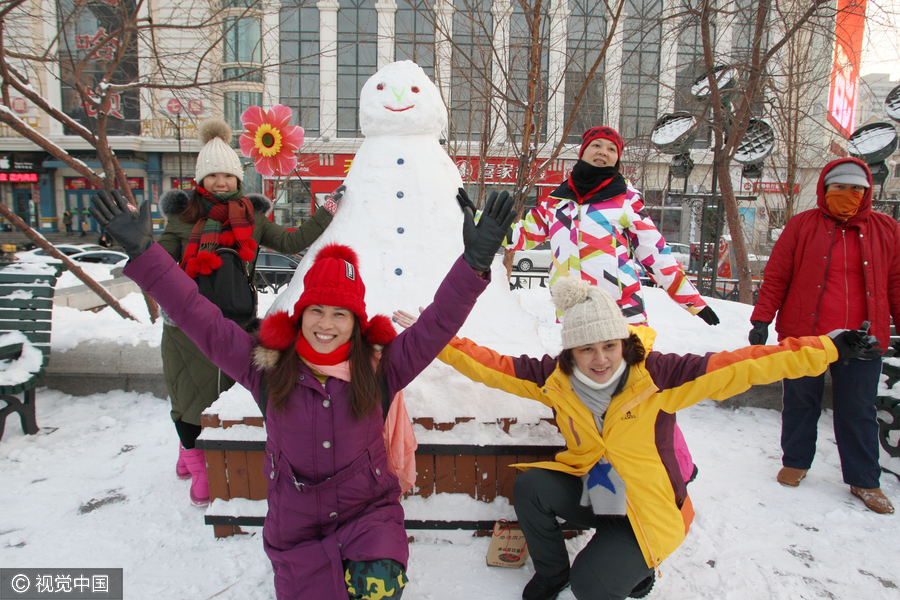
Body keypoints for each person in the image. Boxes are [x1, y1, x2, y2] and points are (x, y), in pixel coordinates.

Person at [90, 186, 515, 600]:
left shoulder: (380, 368)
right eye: (316, 310)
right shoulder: (265, 367)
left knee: (380, 586)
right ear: (300, 314)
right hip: (297, 524)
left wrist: (474, 263)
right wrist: (144, 253)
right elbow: (195, 313)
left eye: (340, 314)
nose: (326, 324)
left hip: (368, 515)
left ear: (356, 322)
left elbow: (438, 323)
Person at [395, 276, 878, 600]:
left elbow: (747, 365)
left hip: (649, 509)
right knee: (532, 487)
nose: (600, 359)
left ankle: (636, 565)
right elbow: (493, 367)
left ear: (624, 343)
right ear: (571, 352)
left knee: (592, 588)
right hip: (601, 492)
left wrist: (827, 349)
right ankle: (552, 572)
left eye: (609, 346)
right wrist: (435, 337)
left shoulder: (661, 376)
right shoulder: (554, 379)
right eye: (586, 349)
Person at [506, 126, 717, 482]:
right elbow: (521, 234)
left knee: (642, 389)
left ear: (617, 159)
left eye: (611, 149)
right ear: (583, 152)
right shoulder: (556, 202)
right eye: (597, 146)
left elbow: (656, 253)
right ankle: (606, 467)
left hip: (623, 312)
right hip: (577, 316)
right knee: (588, 391)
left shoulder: (626, 200)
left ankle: (678, 465)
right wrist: (476, 223)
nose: (603, 152)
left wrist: (692, 301)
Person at [155, 118, 337, 507]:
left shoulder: (252, 218)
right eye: (213, 175)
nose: (221, 182)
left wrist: (327, 211)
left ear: (239, 178)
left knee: (225, 395)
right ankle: (196, 465)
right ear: (201, 179)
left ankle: (197, 456)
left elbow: (292, 241)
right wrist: (139, 246)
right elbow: (159, 269)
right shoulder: (181, 218)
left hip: (236, 322)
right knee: (187, 397)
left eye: (228, 175)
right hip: (187, 327)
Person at [749, 157, 898, 515]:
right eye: (839, 187)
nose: (847, 194)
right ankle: (796, 461)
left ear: (867, 192)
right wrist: (762, 318)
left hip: (863, 339)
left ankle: (865, 479)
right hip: (805, 335)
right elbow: (778, 274)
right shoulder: (802, 225)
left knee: (858, 409)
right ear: (825, 189)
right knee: (800, 400)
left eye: (855, 188)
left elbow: (896, 282)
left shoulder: (886, 228)